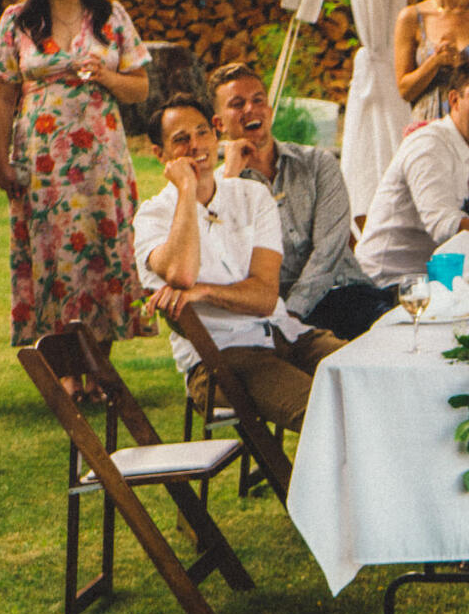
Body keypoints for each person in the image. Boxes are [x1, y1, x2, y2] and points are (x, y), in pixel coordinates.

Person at [0, 0, 154, 385]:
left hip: (101, 159)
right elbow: (1, 97)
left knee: (103, 251)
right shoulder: (18, 21)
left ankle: (99, 369)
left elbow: (140, 88)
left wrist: (106, 76)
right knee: (54, 256)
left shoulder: (110, 15)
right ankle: (67, 374)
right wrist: (0, 162)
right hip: (44, 164)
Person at [134, 97, 345, 430]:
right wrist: (186, 189)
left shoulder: (252, 196)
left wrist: (203, 292)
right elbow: (182, 274)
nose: (195, 145)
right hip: (220, 358)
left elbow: (264, 298)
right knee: (325, 415)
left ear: (216, 135)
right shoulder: (152, 217)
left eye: (202, 132)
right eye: (181, 139)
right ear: (160, 154)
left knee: (373, 377)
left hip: (286, 334)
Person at [208, 64, 397, 340]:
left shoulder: (317, 164)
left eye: (258, 100)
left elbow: (329, 250)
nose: (251, 109)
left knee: (399, 338)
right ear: (219, 124)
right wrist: (231, 177)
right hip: (273, 310)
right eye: (237, 104)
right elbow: (223, 259)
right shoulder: (217, 188)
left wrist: (291, 315)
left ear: (269, 109)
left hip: (343, 292)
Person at [355, 56, 469, 285]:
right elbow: (446, 228)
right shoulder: (428, 144)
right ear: (455, 100)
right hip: (388, 284)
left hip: (441, 282)